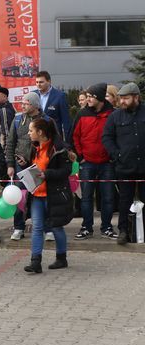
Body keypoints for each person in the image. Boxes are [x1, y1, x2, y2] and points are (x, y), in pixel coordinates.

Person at [24, 118, 73, 273]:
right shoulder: (34, 147)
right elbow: (33, 168)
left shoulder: (59, 149)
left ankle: (61, 258)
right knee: (37, 227)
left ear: (40, 132)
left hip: (54, 195)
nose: (29, 133)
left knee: (56, 227)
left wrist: (47, 174)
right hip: (37, 194)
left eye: (31, 130)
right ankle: (35, 262)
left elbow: (66, 171)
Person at [71, 83, 117, 240]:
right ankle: (86, 227)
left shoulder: (112, 114)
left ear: (99, 98)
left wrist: (113, 156)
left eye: (91, 97)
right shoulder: (82, 114)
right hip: (87, 163)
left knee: (108, 197)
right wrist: (80, 156)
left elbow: (117, 136)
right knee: (86, 197)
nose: (88, 99)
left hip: (107, 163)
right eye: (87, 96)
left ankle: (107, 227)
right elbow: (74, 136)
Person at [102, 82, 145, 245]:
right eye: (121, 98)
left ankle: (142, 232)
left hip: (144, 166)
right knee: (124, 200)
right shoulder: (115, 116)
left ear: (136, 97)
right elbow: (106, 137)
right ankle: (124, 231)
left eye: (126, 98)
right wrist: (116, 154)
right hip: (124, 166)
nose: (122, 102)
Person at [5, 92, 50, 240]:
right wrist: (10, 164)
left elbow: (51, 143)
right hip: (20, 166)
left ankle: (47, 228)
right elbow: (10, 142)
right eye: (22, 103)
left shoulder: (46, 121)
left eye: (26, 103)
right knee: (20, 197)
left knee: (43, 196)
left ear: (35, 105)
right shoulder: (18, 119)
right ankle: (19, 227)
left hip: (41, 164)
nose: (22, 105)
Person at [35, 71, 71, 142]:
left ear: (49, 82)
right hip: (37, 138)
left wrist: (68, 143)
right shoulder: (33, 94)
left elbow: (66, 120)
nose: (38, 84)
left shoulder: (60, 96)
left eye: (41, 82)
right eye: (37, 82)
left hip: (53, 137)